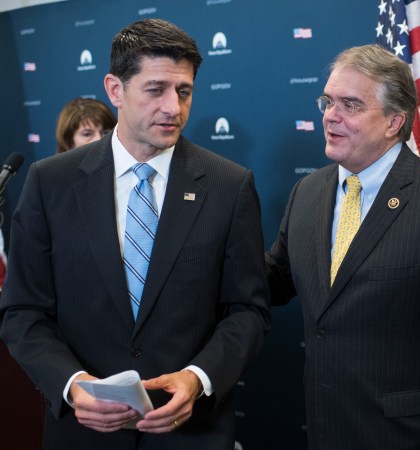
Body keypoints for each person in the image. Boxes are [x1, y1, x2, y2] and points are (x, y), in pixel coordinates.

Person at [0, 18, 270, 450]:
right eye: (156, 89)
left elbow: (247, 311)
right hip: (83, 435)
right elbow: (22, 312)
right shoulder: (50, 183)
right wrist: (72, 384)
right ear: (114, 89)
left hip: (192, 434)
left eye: (184, 91)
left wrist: (198, 379)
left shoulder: (228, 186)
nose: (173, 108)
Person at [266, 44, 420, 449]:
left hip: (408, 438)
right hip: (325, 428)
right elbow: (274, 280)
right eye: (327, 101)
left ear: (394, 121)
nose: (330, 115)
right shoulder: (306, 193)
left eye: (350, 104)